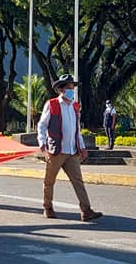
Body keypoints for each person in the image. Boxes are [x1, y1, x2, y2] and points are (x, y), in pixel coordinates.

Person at [37, 75, 103, 222]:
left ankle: (86, 210)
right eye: (68, 88)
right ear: (60, 89)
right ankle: (48, 207)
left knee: (78, 180)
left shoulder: (75, 106)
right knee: (49, 181)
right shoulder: (52, 104)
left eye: (72, 88)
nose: (71, 91)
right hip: (56, 150)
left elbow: (77, 129)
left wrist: (82, 147)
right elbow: (42, 125)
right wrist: (42, 143)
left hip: (72, 151)